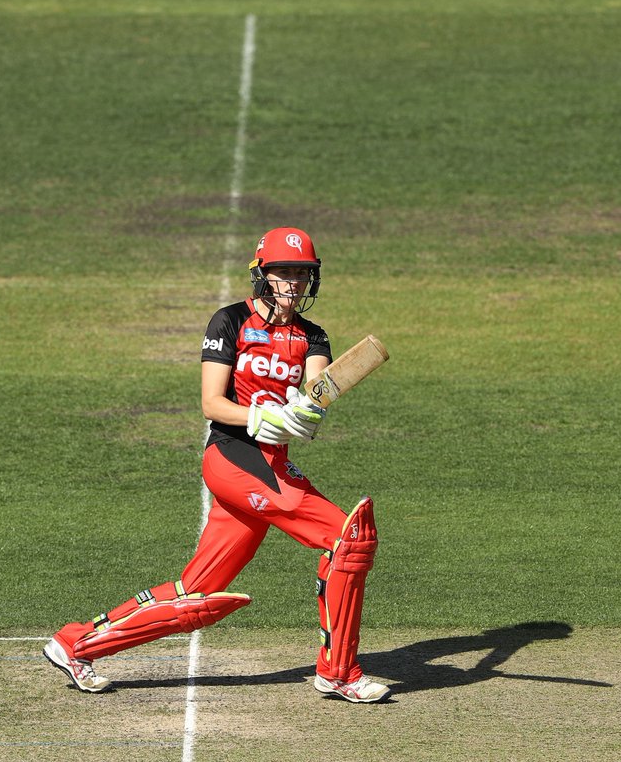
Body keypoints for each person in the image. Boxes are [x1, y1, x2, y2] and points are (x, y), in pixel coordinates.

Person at [43, 227, 390, 703]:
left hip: (269, 464)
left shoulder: (313, 335)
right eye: (283, 272)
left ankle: (75, 644)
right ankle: (339, 672)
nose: (293, 282)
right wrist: (263, 416)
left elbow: (316, 390)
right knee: (348, 539)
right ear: (261, 274)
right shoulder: (230, 321)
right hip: (232, 457)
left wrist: (306, 414)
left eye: (301, 273)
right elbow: (211, 403)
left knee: (197, 593)